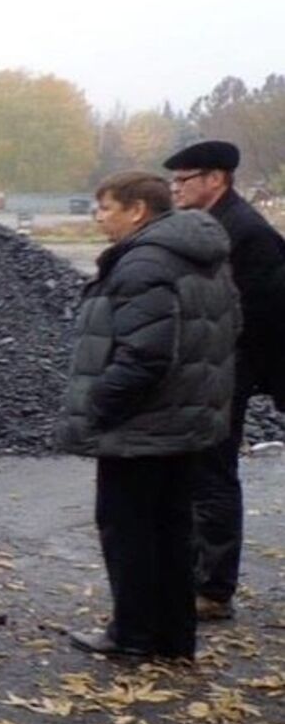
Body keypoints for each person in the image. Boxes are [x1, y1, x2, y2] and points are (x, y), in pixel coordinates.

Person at [58, 171, 239, 659]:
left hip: (140, 426)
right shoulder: (202, 258)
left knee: (129, 531)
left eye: (106, 207)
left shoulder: (144, 265)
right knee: (171, 530)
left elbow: (145, 357)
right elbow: (227, 331)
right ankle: (173, 636)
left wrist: (98, 405)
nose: (99, 217)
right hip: (183, 422)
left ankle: (133, 635)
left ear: (137, 210)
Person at [165, 140, 285, 621]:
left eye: (184, 179)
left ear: (216, 179)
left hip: (228, 369)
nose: (175, 188)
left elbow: (260, 314)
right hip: (214, 367)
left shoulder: (245, 231)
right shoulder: (211, 224)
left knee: (213, 473)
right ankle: (198, 574)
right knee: (200, 471)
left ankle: (213, 588)